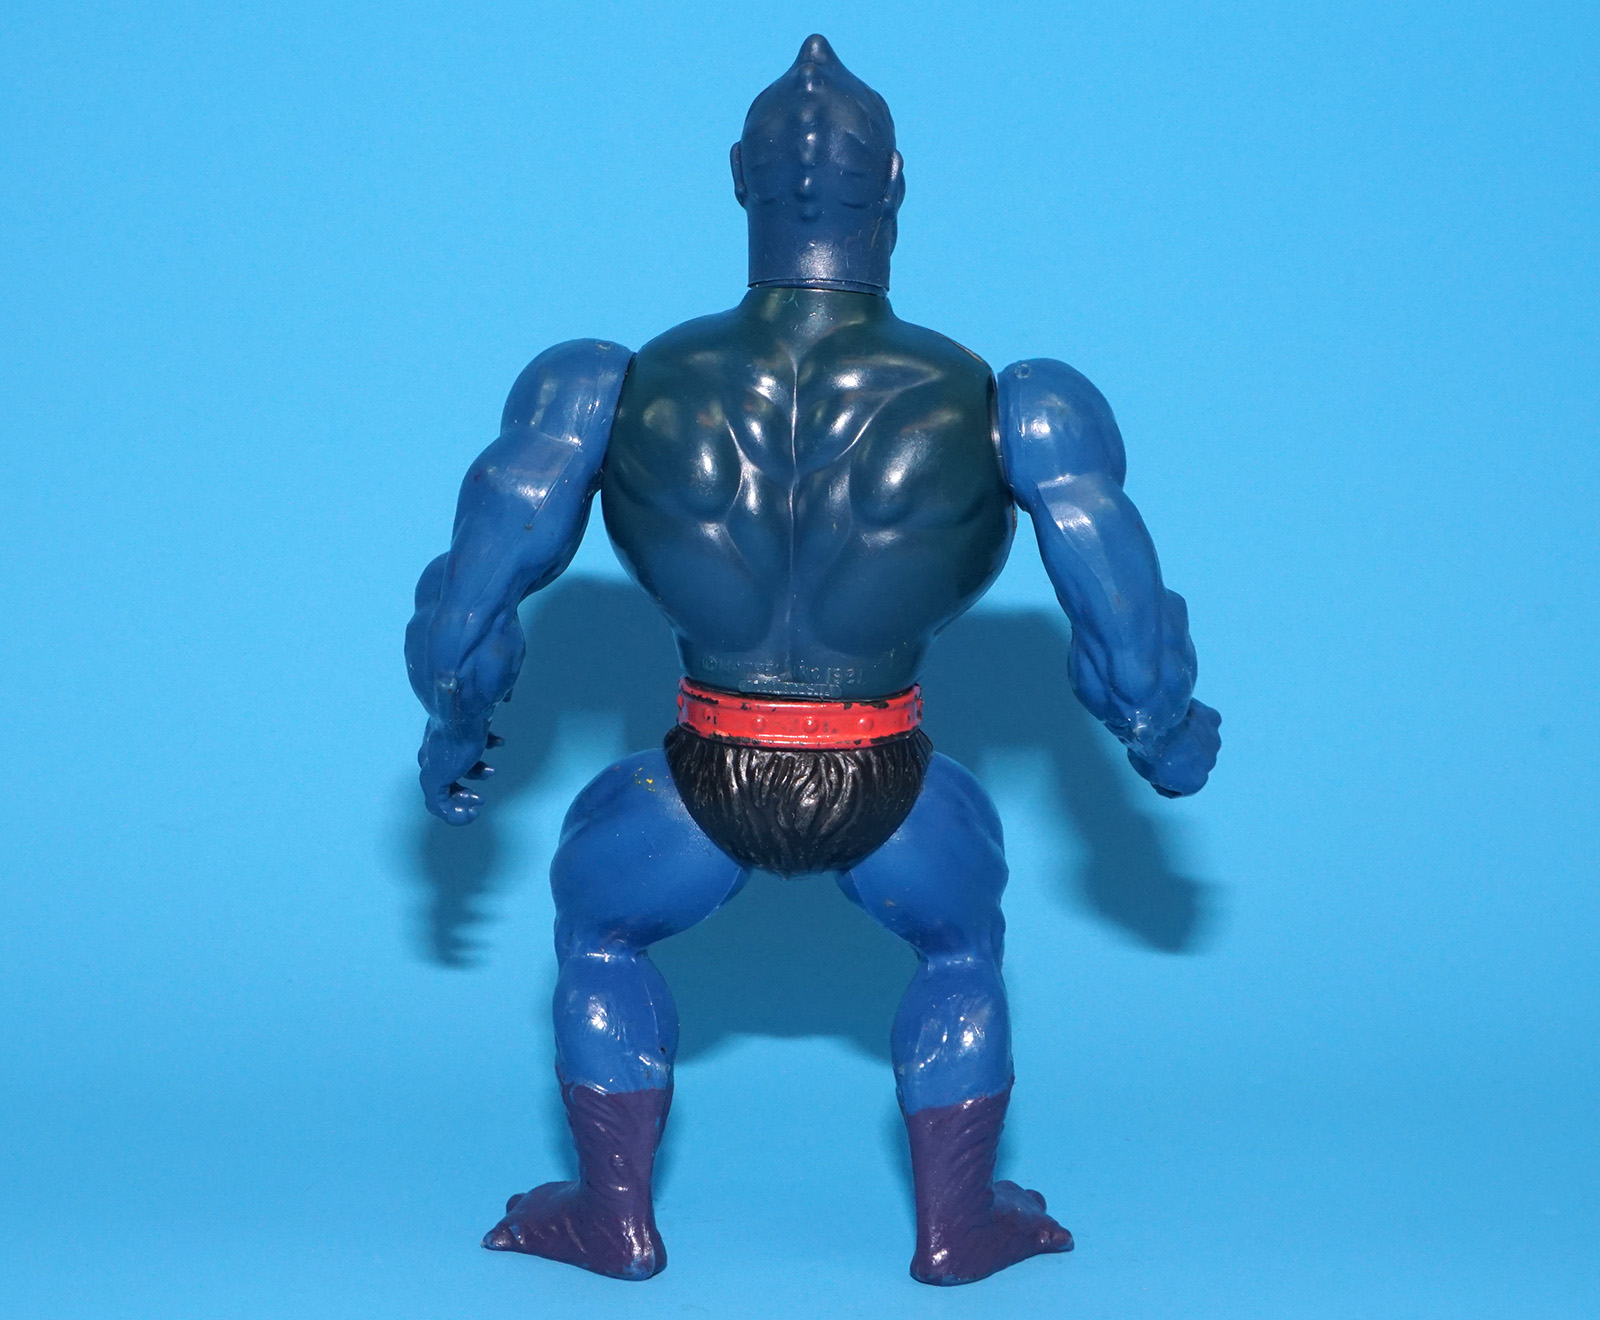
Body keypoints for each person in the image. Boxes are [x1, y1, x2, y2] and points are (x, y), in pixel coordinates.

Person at [405, 33, 1220, 1286]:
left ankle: (611, 1220)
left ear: (741, 180)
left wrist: (455, 726)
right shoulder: (1011, 401)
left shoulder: (605, 385)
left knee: (600, 936)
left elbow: (475, 598)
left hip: (697, 773)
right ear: (891, 182)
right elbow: (1120, 624)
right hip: (890, 775)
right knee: (961, 952)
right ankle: (956, 1226)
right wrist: (1162, 736)